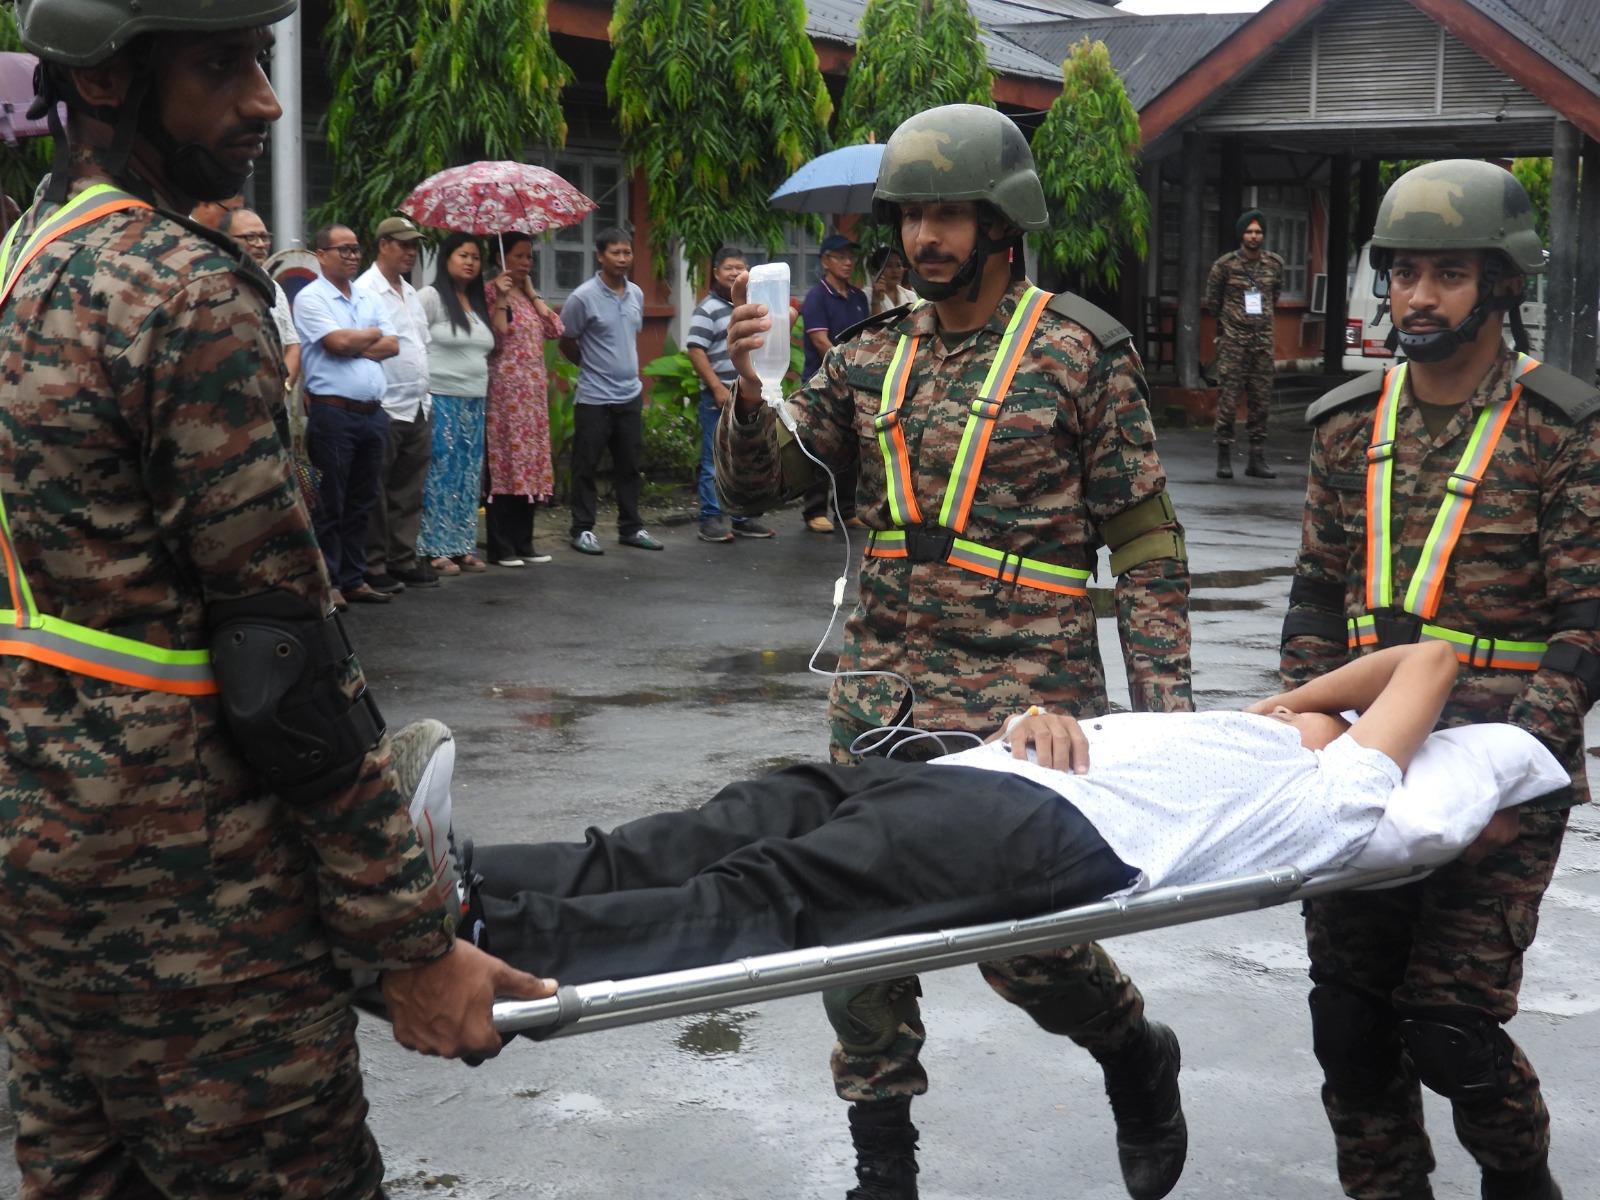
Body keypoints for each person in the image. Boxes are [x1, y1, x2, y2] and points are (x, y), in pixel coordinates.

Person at [0, 2, 548, 1195]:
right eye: (219, 65)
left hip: (38, 886)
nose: (265, 98)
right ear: (107, 85)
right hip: (195, 900)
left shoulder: (20, 263)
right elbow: (281, 659)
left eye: (257, 58)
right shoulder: (185, 290)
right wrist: (407, 939)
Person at [717, 104, 1193, 1200]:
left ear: (1003, 224)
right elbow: (762, 489)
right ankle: (883, 1170)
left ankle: (1132, 1050)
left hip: (1028, 699)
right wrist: (749, 395)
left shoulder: (1080, 352)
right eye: (911, 217)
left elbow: (1145, 542)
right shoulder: (868, 357)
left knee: (1022, 948)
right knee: (857, 928)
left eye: (949, 216)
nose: (924, 238)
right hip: (880, 690)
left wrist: (1167, 716)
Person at [1277, 158, 1600, 1200]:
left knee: (1452, 1028)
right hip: (1367, 759)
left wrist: (1513, 779)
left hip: (1499, 762)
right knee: (1350, 1023)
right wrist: (1305, 739)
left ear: (1501, 286)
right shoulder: (1345, 426)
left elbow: (1584, 627)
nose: (1419, 296)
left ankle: (1521, 1181)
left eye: (1449, 274)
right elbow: (1313, 603)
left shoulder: (1561, 429)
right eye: (1405, 273)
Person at [293, 222, 398, 608]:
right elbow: (336, 342)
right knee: (330, 502)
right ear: (321, 255)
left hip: (372, 414)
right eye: (344, 249)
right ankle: (329, 582)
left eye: (355, 249)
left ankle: (354, 577)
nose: (352, 256)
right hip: (333, 413)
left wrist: (355, 341)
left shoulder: (368, 297)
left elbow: (393, 345)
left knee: (362, 499)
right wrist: (367, 336)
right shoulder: (311, 298)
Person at [557, 227, 663, 555]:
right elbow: (566, 340)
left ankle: (631, 527)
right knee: (585, 466)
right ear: (600, 256)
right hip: (594, 398)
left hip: (629, 395)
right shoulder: (582, 297)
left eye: (626, 252)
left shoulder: (636, 294)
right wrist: (590, 365)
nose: (622, 258)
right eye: (615, 252)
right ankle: (582, 529)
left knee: (629, 466)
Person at [355, 214, 435, 592]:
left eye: (414, 246)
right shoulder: (364, 289)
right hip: (385, 402)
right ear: (383, 244)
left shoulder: (410, 291)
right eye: (403, 245)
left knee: (409, 489)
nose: (411, 252)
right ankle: (374, 563)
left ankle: (402, 558)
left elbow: (419, 344)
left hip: (417, 403)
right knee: (376, 489)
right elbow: (361, 346)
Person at [416, 232, 496, 577]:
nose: (470, 262)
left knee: (468, 474)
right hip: (441, 397)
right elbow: (413, 341)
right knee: (441, 472)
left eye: (476, 257)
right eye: (463, 255)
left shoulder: (478, 302)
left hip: (474, 400)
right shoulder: (431, 297)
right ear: (446, 258)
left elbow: (494, 344)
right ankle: (434, 548)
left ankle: (462, 545)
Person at [685, 246, 776, 543]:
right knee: (714, 460)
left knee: (744, 457)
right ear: (715, 272)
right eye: (729, 268)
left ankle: (742, 517)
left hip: (746, 398)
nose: (735, 273)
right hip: (719, 397)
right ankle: (710, 519)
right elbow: (695, 349)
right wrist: (716, 388)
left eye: (740, 267)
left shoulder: (751, 308)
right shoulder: (707, 309)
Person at [484, 231, 565, 566]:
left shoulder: (528, 295)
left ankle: (524, 541)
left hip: (532, 396)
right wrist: (502, 296)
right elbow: (497, 337)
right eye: (518, 255)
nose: (525, 262)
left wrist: (533, 294)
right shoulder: (489, 291)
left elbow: (556, 329)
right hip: (505, 394)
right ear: (500, 258)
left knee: (530, 463)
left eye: (529, 256)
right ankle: (501, 545)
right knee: (506, 464)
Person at [797, 231, 869, 533]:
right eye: (840, 257)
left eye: (850, 257)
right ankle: (814, 511)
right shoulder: (817, 297)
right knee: (819, 447)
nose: (848, 262)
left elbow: (866, 337)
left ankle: (846, 510)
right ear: (826, 261)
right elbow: (819, 340)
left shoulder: (858, 297)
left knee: (851, 447)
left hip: (854, 383)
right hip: (821, 383)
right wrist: (845, 367)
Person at [1205, 208, 1284, 480]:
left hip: (1262, 343)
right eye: (1249, 232)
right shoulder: (1225, 265)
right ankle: (1224, 455)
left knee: (1261, 401)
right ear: (1241, 235)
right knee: (1228, 400)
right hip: (1234, 343)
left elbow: (1274, 296)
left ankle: (1256, 458)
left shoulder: (1274, 264)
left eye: (1258, 232)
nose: (1254, 236)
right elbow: (1213, 302)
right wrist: (1232, 323)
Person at [219, 205, 300, 390]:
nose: (261, 244)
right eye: (250, 237)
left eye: (264, 237)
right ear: (226, 239)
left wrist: (284, 386)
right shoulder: (215, 284)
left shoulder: (274, 287)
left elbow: (292, 345)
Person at [868, 245, 916, 315]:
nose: (895, 271)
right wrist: (875, 301)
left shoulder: (910, 296)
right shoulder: (866, 295)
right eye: (889, 266)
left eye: (899, 265)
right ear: (876, 271)